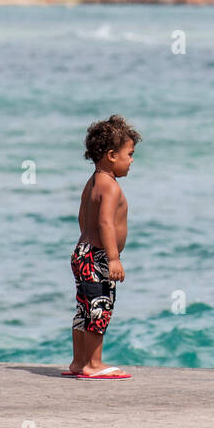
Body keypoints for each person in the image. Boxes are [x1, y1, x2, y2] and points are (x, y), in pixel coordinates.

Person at [64, 115, 141, 380]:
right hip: (97, 257)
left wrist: (87, 246)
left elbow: (82, 218)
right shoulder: (110, 186)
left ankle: (79, 361)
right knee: (99, 307)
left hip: (82, 253)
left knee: (84, 309)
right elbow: (106, 222)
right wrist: (113, 258)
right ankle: (94, 364)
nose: (132, 160)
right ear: (111, 155)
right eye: (129, 154)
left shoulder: (93, 182)